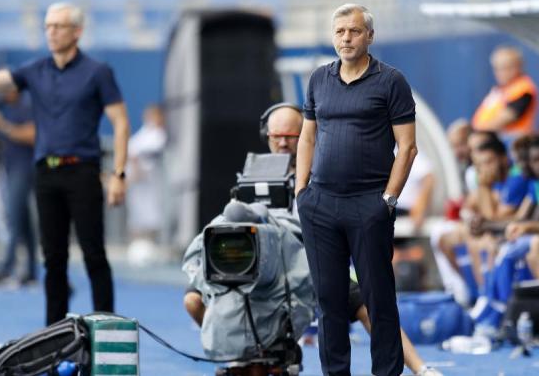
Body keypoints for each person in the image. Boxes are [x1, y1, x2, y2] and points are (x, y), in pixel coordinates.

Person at [182, 103, 440, 375]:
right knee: (193, 301)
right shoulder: (252, 176)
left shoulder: (326, 173)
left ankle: (421, 369)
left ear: (306, 134)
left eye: (290, 137)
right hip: (257, 267)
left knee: (369, 300)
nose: (282, 143)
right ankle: (243, 354)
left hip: (313, 262)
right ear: (265, 136)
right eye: (275, 136)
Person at [0, 2, 130, 326]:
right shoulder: (35, 70)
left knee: (94, 254)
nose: (51, 32)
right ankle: (53, 332)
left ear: (77, 32)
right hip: (46, 172)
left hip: (82, 170)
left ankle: (108, 329)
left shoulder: (98, 72)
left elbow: (121, 123)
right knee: (53, 259)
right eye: (47, 26)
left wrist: (118, 175)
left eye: (58, 26)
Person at [295, 3, 417, 376]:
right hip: (321, 204)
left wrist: (388, 201)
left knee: (379, 300)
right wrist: (302, 191)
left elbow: (407, 147)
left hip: (369, 205)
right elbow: (307, 136)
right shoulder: (318, 78)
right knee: (329, 302)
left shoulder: (390, 80)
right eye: (340, 32)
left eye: (354, 31)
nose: (346, 38)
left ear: (369, 36)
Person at [0, 93, 38, 286]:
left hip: (24, 169)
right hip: (11, 168)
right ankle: (31, 270)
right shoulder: (6, 107)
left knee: (14, 217)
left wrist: (4, 127)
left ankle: (7, 266)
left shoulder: (27, 105)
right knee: (23, 223)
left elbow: (34, 133)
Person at [126, 104, 168, 264]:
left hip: (149, 181)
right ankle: (137, 245)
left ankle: (150, 246)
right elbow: (131, 150)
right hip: (137, 181)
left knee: (151, 212)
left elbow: (142, 154)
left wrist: (138, 169)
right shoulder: (144, 132)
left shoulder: (159, 135)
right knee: (136, 212)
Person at [471, 46, 538, 139]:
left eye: (505, 68)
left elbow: (506, 118)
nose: (499, 73)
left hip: (511, 143)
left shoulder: (523, 89)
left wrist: (477, 133)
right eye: (497, 68)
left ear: (518, 67)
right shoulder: (501, 90)